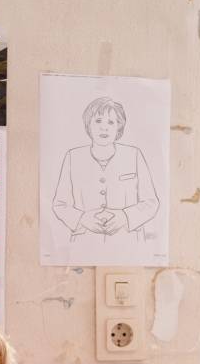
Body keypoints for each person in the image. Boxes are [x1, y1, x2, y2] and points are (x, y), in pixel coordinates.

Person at [51, 96, 159, 249]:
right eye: (98, 121)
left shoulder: (134, 155)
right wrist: (81, 219)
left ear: (118, 128)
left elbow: (151, 202)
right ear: (88, 125)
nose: (104, 127)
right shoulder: (73, 157)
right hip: (83, 245)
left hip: (129, 245)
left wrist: (125, 216)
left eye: (111, 122)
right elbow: (60, 204)